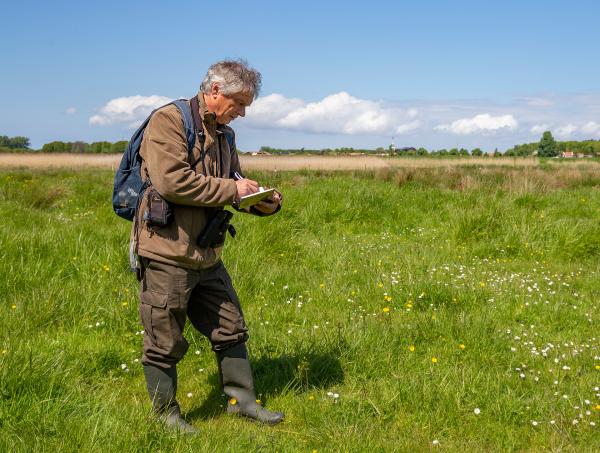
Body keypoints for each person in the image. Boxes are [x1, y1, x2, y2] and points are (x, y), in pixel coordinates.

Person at [132, 59, 283, 433]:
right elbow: (172, 182)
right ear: (215, 90)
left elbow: (233, 183)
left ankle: (242, 402)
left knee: (231, 328)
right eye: (239, 103)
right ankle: (166, 416)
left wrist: (261, 200)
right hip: (167, 251)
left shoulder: (225, 135)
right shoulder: (168, 120)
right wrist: (234, 189)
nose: (243, 113)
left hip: (207, 253)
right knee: (164, 339)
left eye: (246, 105)